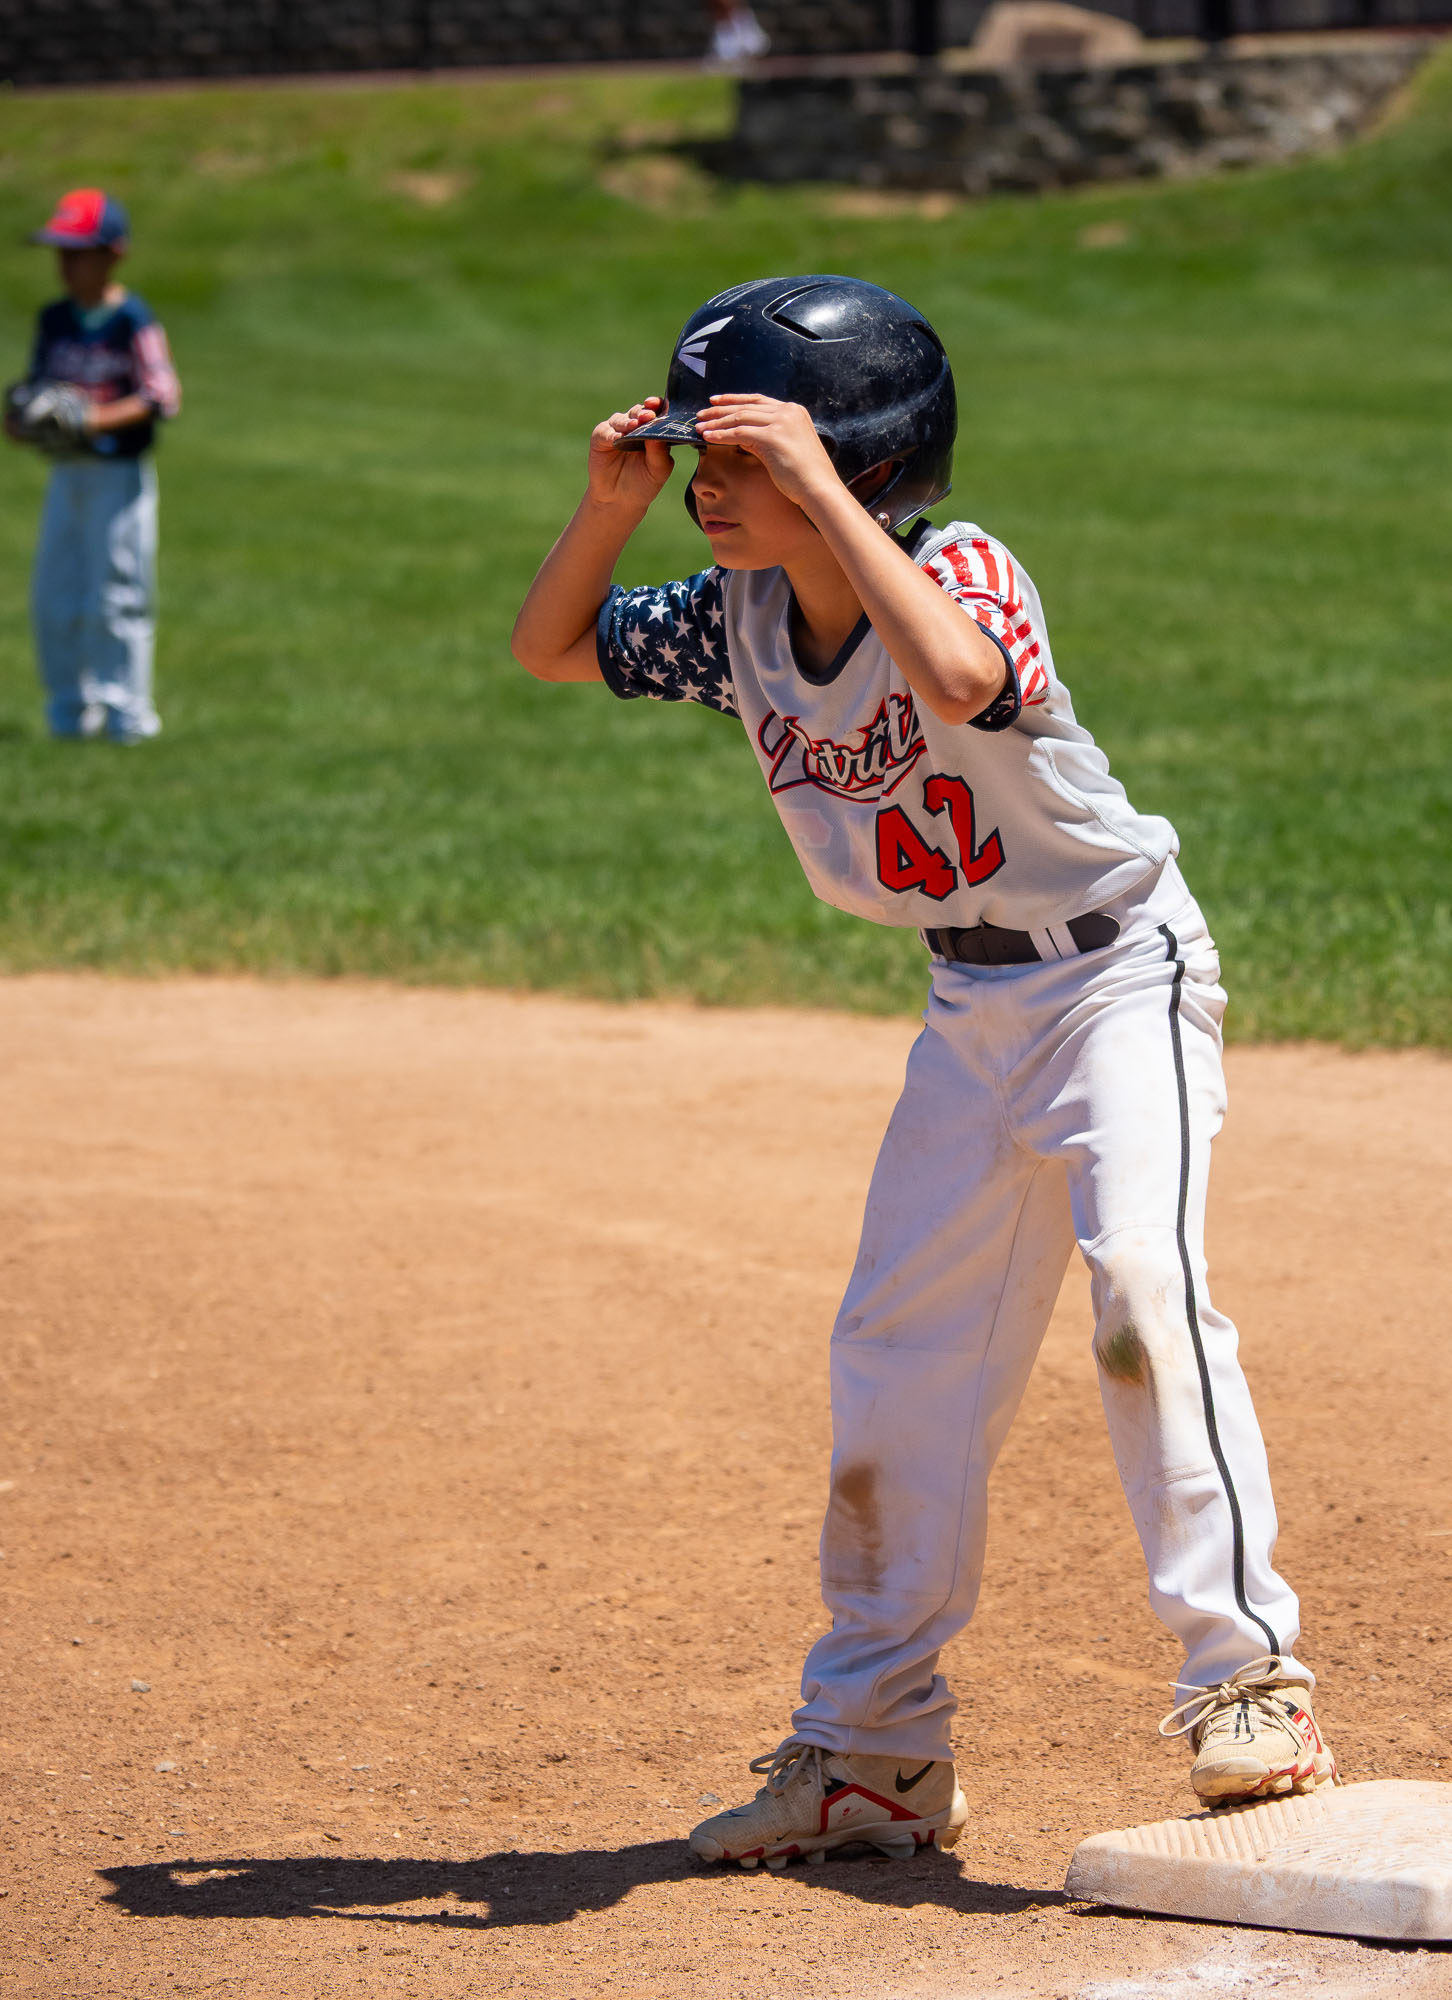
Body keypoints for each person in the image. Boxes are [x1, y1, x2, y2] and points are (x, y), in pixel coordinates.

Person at [511, 276, 1337, 1871]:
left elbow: (959, 680)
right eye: (698, 455)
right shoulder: (740, 616)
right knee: (899, 1354)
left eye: (738, 453)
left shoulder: (964, 570)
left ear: (863, 464)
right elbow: (549, 648)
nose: (704, 483)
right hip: (971, 1008)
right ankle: (876, 1751)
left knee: (1144, 1288)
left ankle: (1250, 1682)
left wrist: (816, 489)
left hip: (1116, 977)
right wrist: (608, 504)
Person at [4, 188, 181, 743]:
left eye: (77, 253)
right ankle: (70, 712)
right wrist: (25, 420)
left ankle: (128, 715)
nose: (65, 264)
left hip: (116, 477)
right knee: (54, 596)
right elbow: (39, 390)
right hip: (67, 474)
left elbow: (161, 395)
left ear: (113, 254)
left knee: (117, 594)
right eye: (60, 252)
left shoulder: (131, 318)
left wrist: (92, 420)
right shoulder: (55, 318)